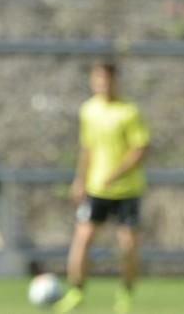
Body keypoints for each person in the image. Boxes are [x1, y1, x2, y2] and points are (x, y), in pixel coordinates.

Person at [54, 61, 150, 314]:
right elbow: (87, 148)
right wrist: (79, 179)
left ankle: (125, 295)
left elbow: (140, 149)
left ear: (116, 81)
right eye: (98, 80)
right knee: (82, 239)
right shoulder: (88, 110)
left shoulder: (129, 111)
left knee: (128, 245)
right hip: (96, 189)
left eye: (107, 80)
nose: (102, 85)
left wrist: (116, 174)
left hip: (127, 190)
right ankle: (76, 292)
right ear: (92, 81)